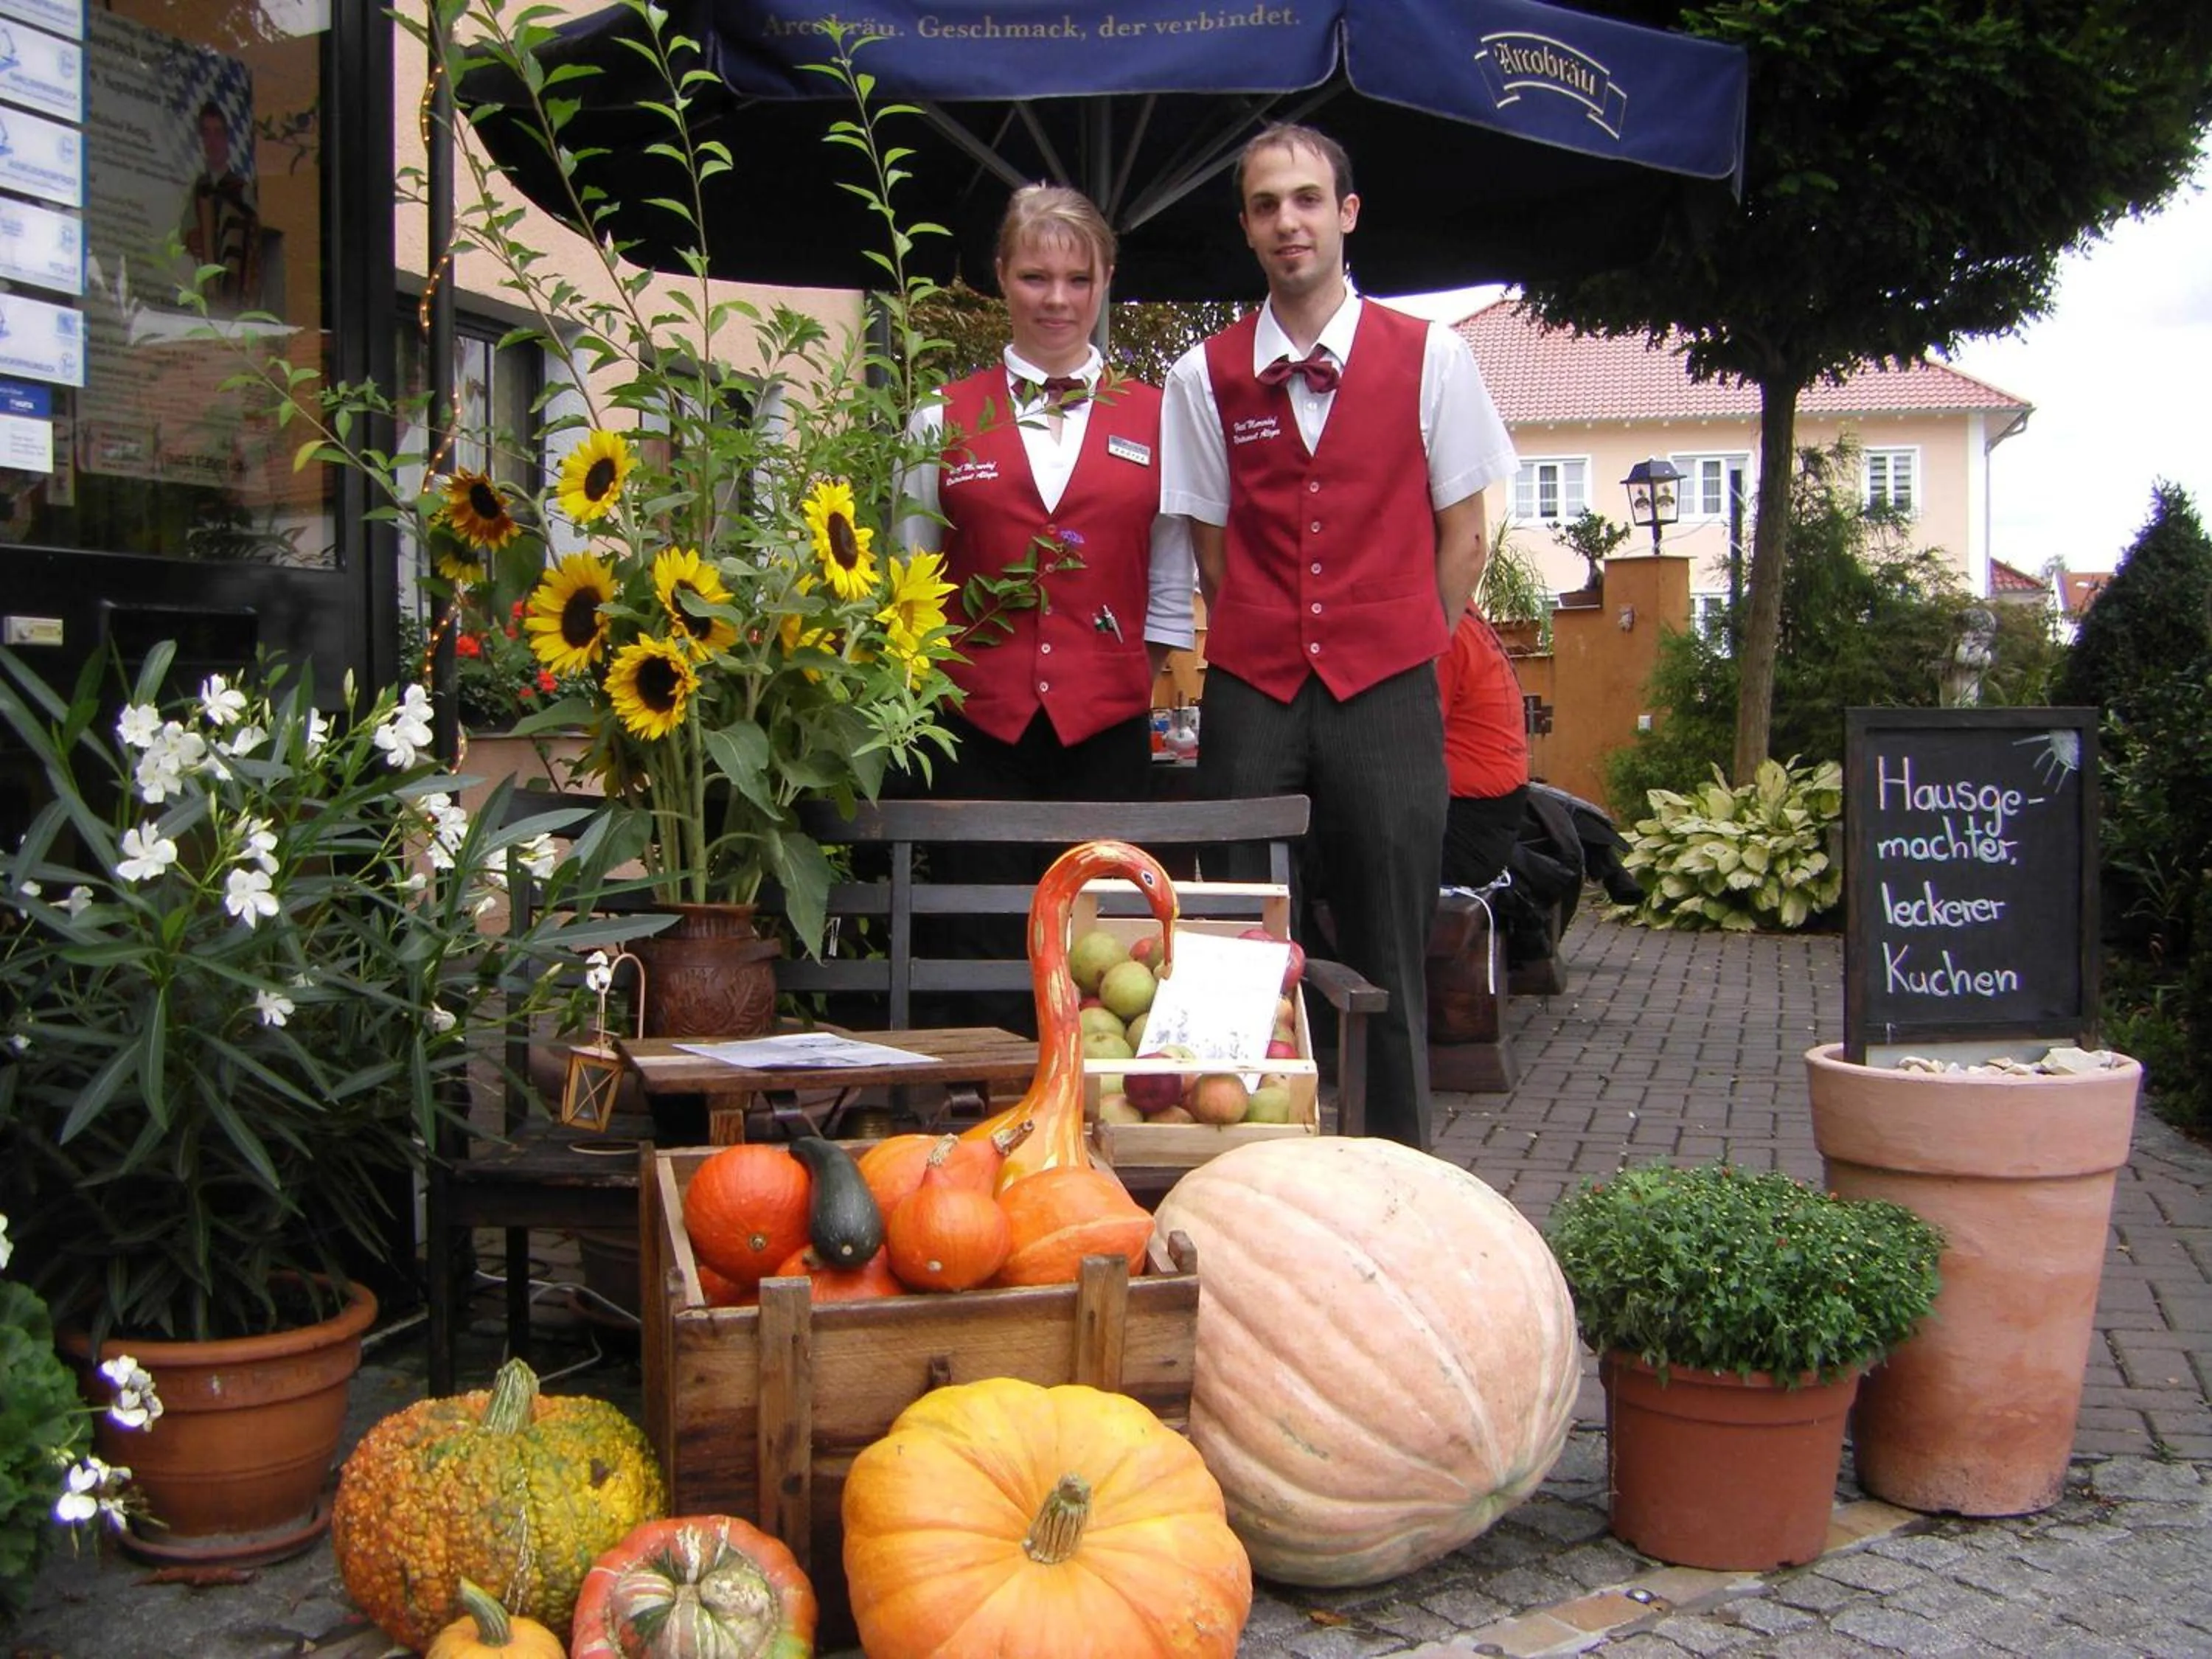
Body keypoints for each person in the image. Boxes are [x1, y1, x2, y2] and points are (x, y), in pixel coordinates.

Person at [1160, 124, 1517, 1150]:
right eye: (1268, 205)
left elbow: (1466, 534)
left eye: (1308, 199)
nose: (1290, 221)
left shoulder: (1431, 357)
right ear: (1247, 228)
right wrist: (1276, 636)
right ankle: (1245, 1163)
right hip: (1253, 689)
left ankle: (1399, 1170)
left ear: (1347, 214)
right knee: (1236, 939)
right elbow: (1214, 549)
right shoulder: (1204, 376)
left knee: (1392, 947)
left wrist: (1403, 641)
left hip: (1390, 689)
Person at [894, 184, 1197, 1029]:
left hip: (1104, 731)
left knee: (1098, 942)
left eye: (1077, 278)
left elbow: (1171, 578)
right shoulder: (939, 418)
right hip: (971, 727)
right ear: (1001, 279)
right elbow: (905, 576)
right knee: (977, 932)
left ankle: (1087, 1116)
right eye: (1035, 277)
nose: (1056, 299)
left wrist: (1134, 671)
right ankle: (977, 1103)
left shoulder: (1159, 416)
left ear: (1105, 281)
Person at [1440, 599, 1531, 892]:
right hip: (1492, 816)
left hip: (1464, 826)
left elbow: (1402, 740)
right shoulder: (1467, 619)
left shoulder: (1446, 633)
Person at [180, 100, 262, 313]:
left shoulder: (241, 189)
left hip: (236, 295)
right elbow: (184, 234)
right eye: (207, 133)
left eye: (218, 133)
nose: (212, 141)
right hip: (205, 291)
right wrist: (192, 239)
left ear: (226, 139)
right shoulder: (200, 187)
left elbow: (255, 243)